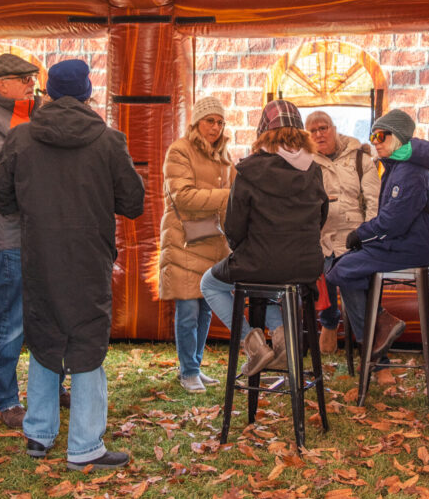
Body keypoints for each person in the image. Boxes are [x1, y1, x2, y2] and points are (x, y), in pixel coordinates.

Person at [0, 59, 145, 471]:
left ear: (50, 93)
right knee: (87, 338)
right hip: (89, 255)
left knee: (44, 334)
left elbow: (1, 199)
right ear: (87, 93)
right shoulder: (110, 141)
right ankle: (84, 445)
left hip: (38, 253)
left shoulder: (21, 138)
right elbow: (133, 203)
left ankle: (39, 433)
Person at [0, 52, 65, 427]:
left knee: (52, 316)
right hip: (10, 237)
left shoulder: (41, 114)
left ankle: (51, 387)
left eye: (33, 78)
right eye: (24, 78)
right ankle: (6, 400)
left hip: (47, 234)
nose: (31, 84)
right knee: (10, 322)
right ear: (2, 84)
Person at [201, 100, 329, 375]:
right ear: (300, 134)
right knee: (270, 286)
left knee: (210, 284)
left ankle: (254, 345)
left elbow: (234, 229)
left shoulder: (248, 170)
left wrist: (244, 249)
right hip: (305, 267)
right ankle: (283, 339)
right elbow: (321, 217)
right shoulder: (314, 170)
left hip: (259, 263)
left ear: (263, 133)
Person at [326, 108, 429, 359]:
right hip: (408, 241)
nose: (374, 141)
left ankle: (372, 341)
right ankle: (380, 327)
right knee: (345, 265)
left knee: (343, 270)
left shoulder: (410, 172)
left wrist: (361, 234)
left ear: (397, 137)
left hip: (413, 245)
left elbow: (393, 222)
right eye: (372, 136)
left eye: (381, 136)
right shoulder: (398, 166)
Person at [159, 96, 235, 393]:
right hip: (184, 243)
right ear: (197, 122)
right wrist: (226, 196)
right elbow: (184, 197)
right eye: (209, 121)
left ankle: (195, 366)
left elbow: (236, 195)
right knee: (188, 308)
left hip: (214, 242)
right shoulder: (180, 150)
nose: (215, 127)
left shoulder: (225, 156)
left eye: (219, 122)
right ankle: (187, 370)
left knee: (205, 309)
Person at [305, 111, 381, 353]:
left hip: (353, 237)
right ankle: (329, 322)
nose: (319, 134)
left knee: (356, 293)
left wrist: (366, 238)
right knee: (319, 274)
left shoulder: (360, 159)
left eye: (323, 127)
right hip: (321, 237)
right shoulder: (305, 163)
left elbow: (374, 203)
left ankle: (373, 354)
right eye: (313, 130)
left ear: (334, 128)